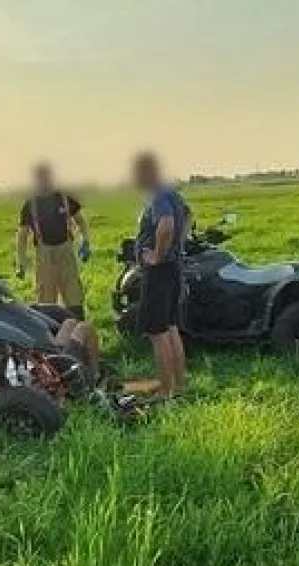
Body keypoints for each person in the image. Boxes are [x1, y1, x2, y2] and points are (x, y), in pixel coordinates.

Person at [131, 151, 189, 398]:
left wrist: (157, 254)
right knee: (171, 328)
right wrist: (180, 244)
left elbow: (166, 225)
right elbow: (187, 216)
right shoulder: (172, 192)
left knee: (158, 334)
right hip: (173, 268)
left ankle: (165, 392)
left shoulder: (158, 195)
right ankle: (179, 387)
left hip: (159, 272)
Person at [15, 163, 92, 321]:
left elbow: (81, 222)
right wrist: (21, 260)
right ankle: (52, 338)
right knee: (46, 300)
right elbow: (22, 235)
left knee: (74, 296)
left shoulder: (64, 198)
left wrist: (85, 241)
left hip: (66, 252)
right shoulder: (30, 204)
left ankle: (78, 332)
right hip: (44, 255)